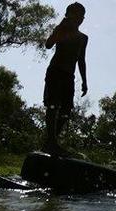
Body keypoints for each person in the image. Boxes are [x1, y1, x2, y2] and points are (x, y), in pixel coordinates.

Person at [42, 2, 88, 156]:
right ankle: (51, 142)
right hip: (55, 72)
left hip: (69, 75)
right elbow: (48, 44)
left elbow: (81, 60)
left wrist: (85, 81)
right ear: (68, 15)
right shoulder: (61, 29)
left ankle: (51, 142)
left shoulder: (83, 38)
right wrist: (61, 26)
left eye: (81, 15)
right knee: (53, 105)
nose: (79, 18)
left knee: (66, 110)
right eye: (75, 14)